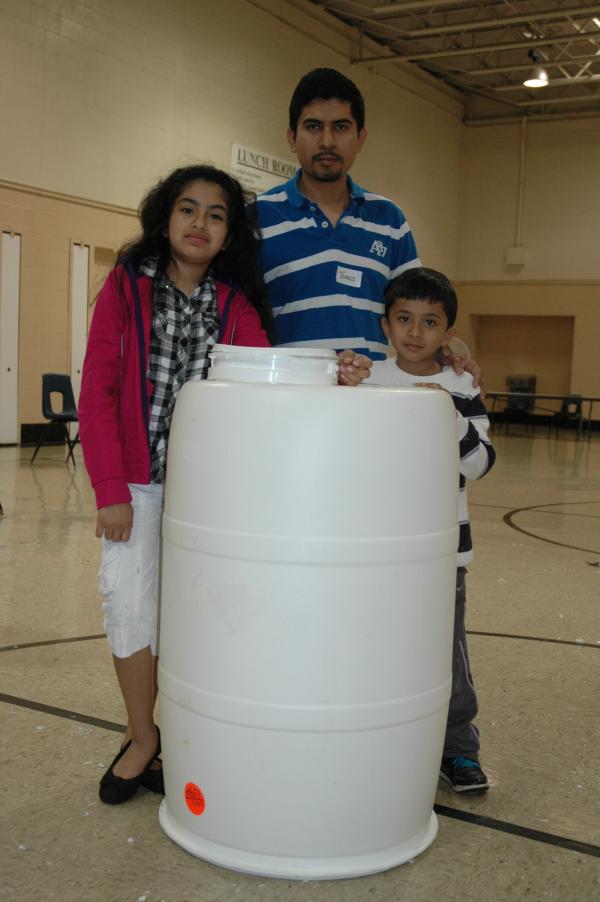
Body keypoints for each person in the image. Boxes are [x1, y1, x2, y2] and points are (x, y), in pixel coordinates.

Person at [78, 165, 275, 805]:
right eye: (187, 209)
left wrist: (339, 371)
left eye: (215, 215)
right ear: (165, 218)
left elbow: (264, 378)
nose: (200, 223)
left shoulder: (235, 306)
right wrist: (110, 487)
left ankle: (189, 734)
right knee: (131, 611)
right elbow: (97, 391)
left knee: (196, 618)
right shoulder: (127, 289)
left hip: (205, 501)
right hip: (135, 489)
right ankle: (143, 737)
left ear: (229, 233)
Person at [257, 67, 481, 388]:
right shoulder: (257, 217)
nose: (327, 141)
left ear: (360, 138)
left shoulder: (390, 221)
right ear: (292, 137)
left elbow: (417, 310)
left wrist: (447, 357)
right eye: (313, 126)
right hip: (286, 399)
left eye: (341, 127)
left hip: (369, 399)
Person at [366, 266, 496, 793]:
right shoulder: (368, 381)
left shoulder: (461, 385)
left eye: (429, 322)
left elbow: (480, 464)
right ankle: (383, 738)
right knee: (379, 647)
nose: (415, 332)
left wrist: (450, 415)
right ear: (385, 325)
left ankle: (458, 749)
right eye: (403, 319)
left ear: (447, 334)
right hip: (377, 553)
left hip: (445, 556)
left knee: (447, 651)